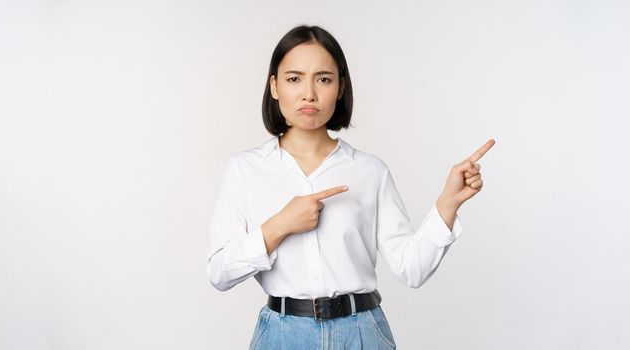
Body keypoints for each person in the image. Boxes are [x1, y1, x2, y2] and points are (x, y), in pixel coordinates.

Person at [205, 24, 495, 349]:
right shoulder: (246, 170)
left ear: (340, 88)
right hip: (283, 337)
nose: (309, 93)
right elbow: (219, 273)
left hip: (363, 333)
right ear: (274, 86)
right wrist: (279, 226)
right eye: (294, 78)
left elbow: (411, 270)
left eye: (324, 79)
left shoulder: (369, 171)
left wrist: (447, 205)